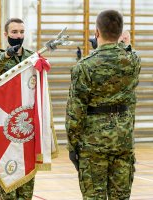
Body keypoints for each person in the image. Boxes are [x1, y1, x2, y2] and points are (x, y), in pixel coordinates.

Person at [66, 10, 141, 199]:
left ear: (96, 33)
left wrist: (72, 146)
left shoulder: (84, 66)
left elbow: (75, 112)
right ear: (120, 32)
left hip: (93, 145)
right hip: (123, 140)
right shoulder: (133, 61)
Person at [0, 18, 35, 200]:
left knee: (28, 174)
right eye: (14, 32)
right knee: (8, 177)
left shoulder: (32, 56)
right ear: (6, 35)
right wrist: (7, 55)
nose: (19, 36)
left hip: (27, 124)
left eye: (21, 32)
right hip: (7, 124)